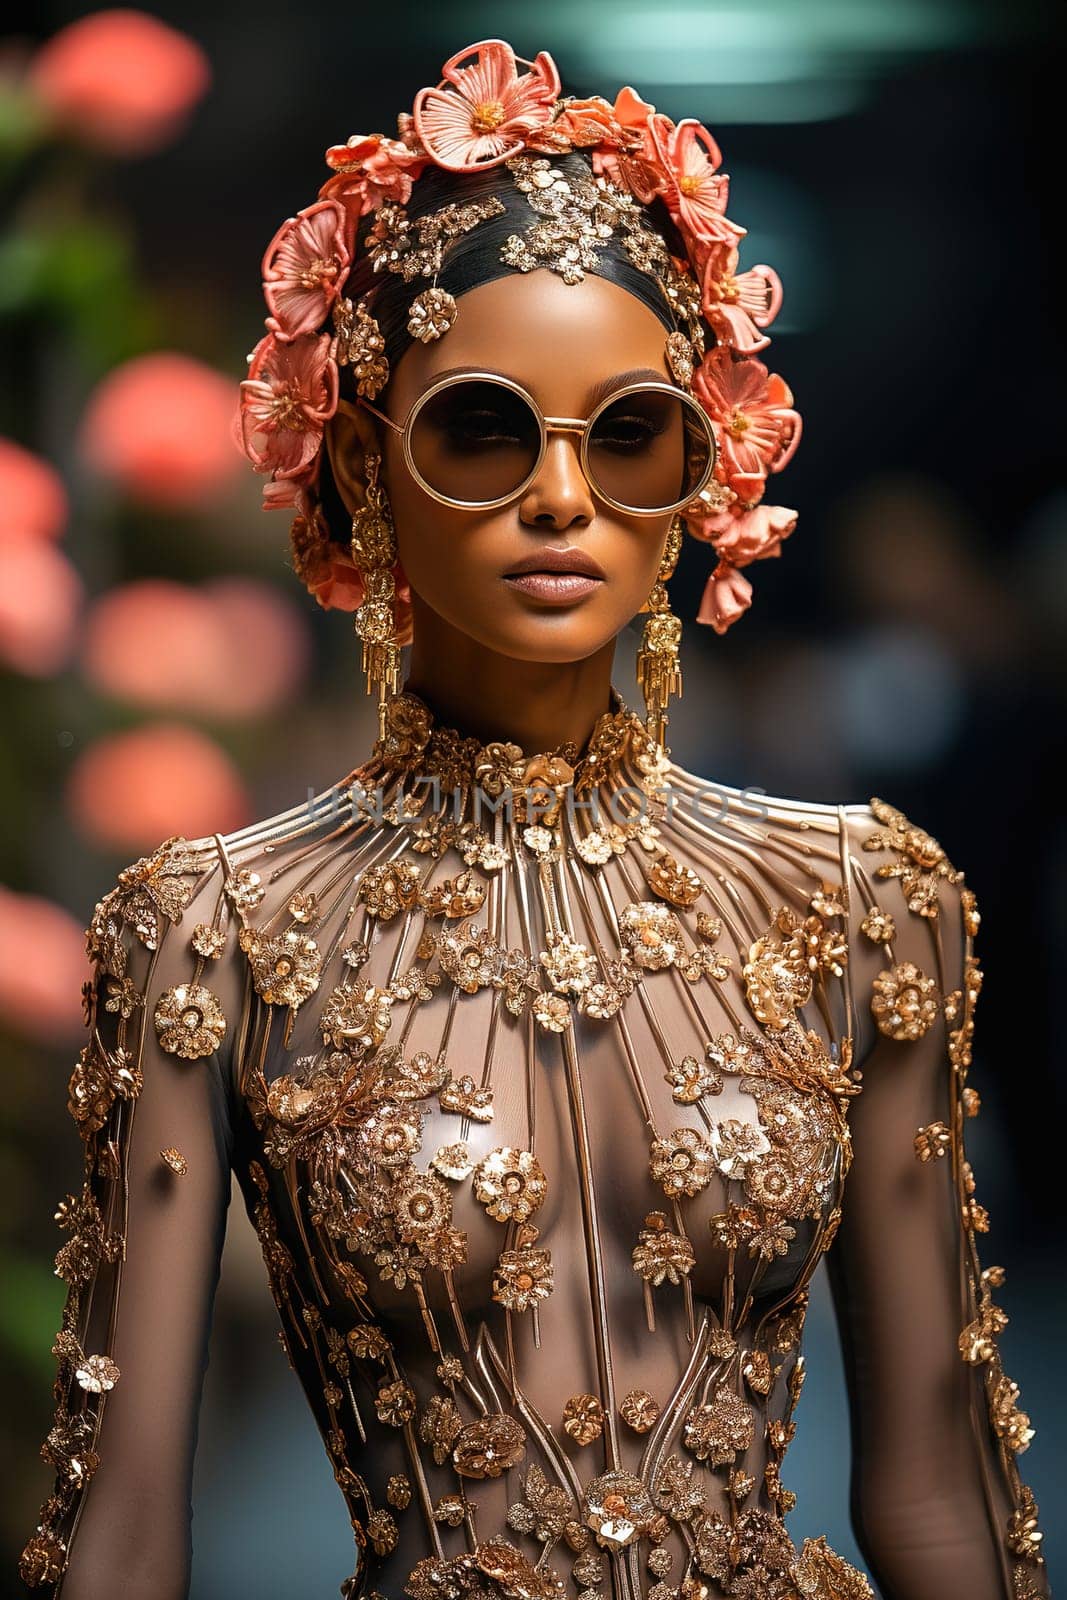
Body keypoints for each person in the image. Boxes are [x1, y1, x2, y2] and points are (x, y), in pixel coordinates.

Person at [18, 38, 1051, 1600]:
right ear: (366, 462)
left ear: (701, 476)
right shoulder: (214, 934)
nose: (562, 496)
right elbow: (122, 1526)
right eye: (486, 429)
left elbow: (940, 1494)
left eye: (628, 433)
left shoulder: (859, 900)